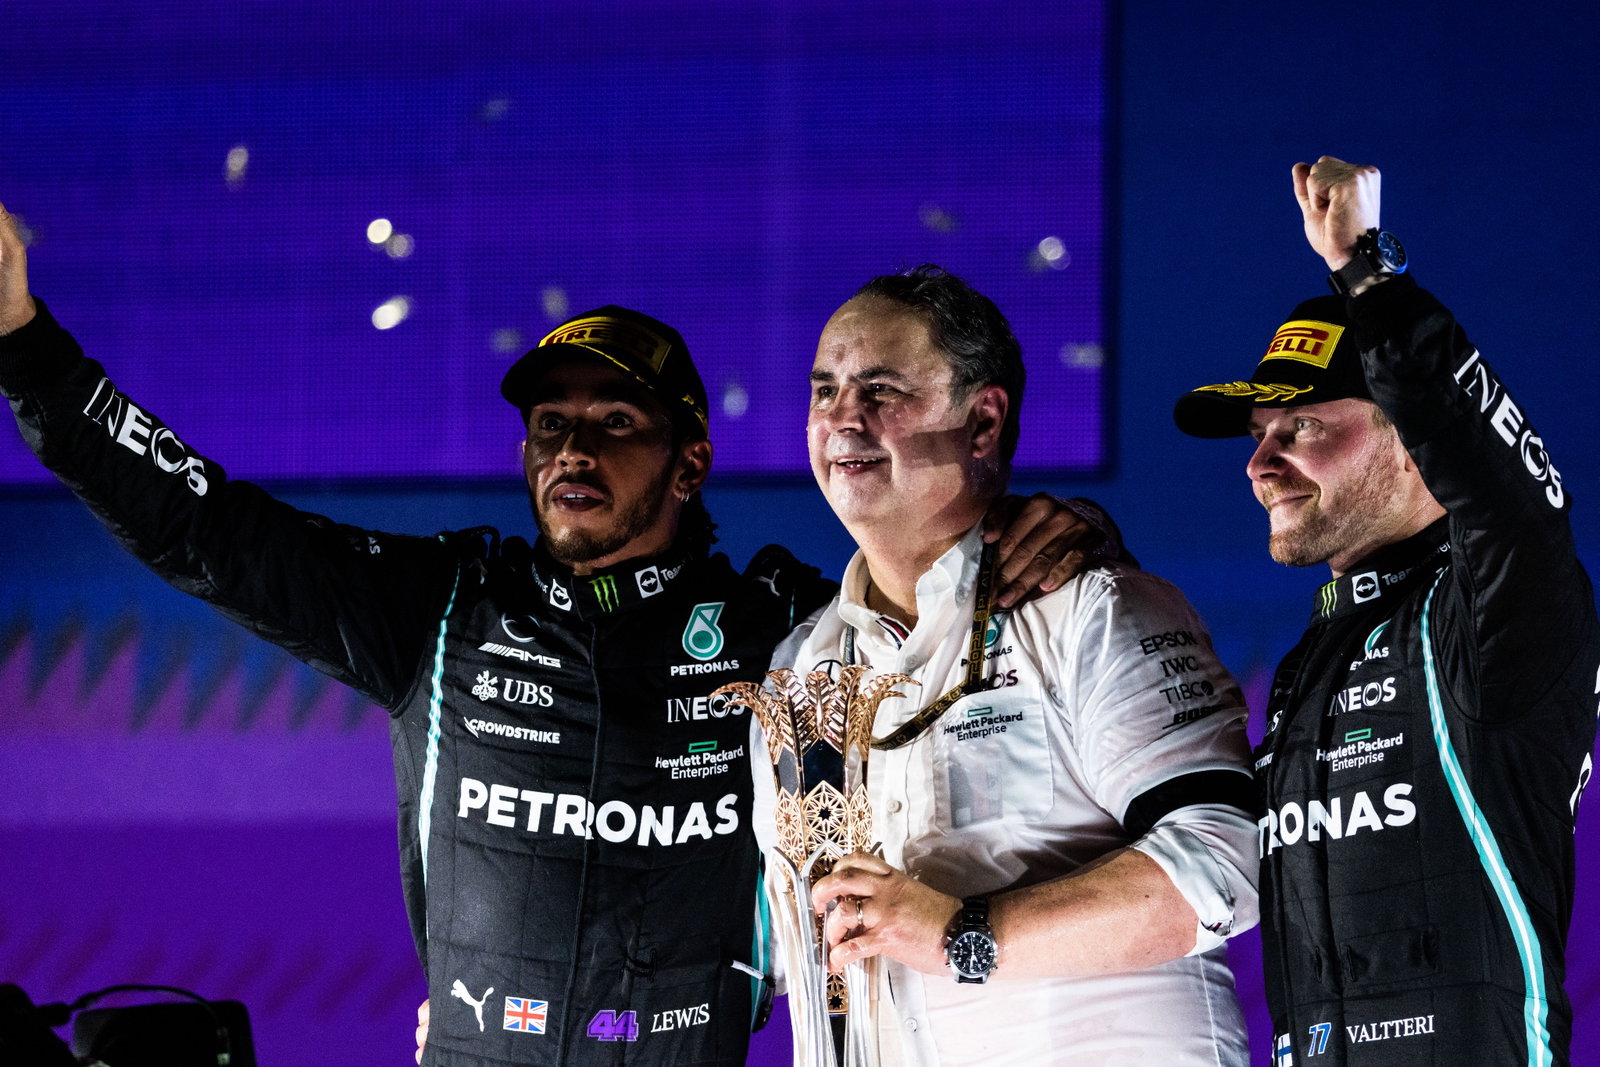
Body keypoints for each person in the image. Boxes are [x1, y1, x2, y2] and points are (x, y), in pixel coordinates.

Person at [0, 204, 1091, 1066]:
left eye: (616, 424)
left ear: (690, 461)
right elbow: (201, 524)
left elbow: (931, 592)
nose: (574, 449)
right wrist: (24, 344)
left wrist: (1069, 528)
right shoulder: (440, 606)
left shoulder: (784, 628)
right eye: (551, 425)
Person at [755, 265, 1259, 1066]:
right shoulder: (800, 671)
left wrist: (959, 935)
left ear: (984, 422)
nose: (843, 419)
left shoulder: (1091, 609)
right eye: (825, 391)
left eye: (881, 390)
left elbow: (1227, 858)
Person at [1172, 157, 1600, 1066]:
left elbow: (1514, 496)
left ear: (1411, 439)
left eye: (1304, 426)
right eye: (1260, 437)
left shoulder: (1495, 614)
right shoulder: (1308, 660)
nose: (1261, 464)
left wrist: (1369, 272)